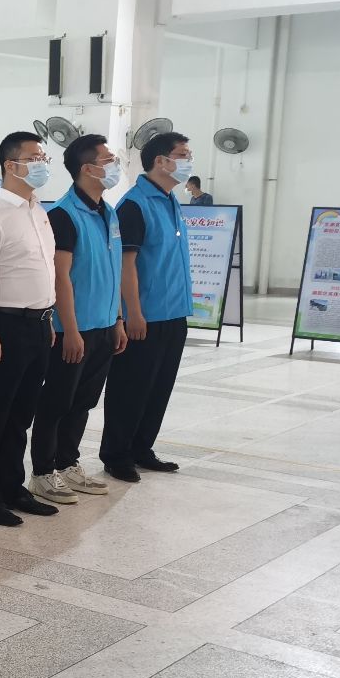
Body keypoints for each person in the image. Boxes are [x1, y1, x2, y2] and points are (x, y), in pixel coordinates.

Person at [0, 131, 61, 526]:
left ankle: (12, 487)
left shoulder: (38, 210)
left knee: (22, 414)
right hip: (6, 324)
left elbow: (44, 268)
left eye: (44, 158)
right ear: (11, 165)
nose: (42, 165)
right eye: (35, 158)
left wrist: (48, 318)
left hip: (39, 323)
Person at [31, 134, 126, 506]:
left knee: (83, 401)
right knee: (57, 401)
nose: (115, 165)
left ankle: (67, 462)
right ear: (88, 169)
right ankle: (42, 473)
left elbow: (113, 269)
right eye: (109, 160)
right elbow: (61, 278)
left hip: (103, 324)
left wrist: (117, 319)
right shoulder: (63, 215)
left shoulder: (108, 211)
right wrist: (69, 330)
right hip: (74, 328)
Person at [100, 132, 193, 483]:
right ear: (160, 161)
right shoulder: (135, 205)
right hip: (145, 315)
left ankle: (141, 447)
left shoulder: (170, 200)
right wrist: (133, 312)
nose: (188, 161)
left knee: (158, 387)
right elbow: (127, 265)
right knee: (131, 387)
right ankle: (116, 454)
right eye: (182, 155)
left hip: (174, 313)